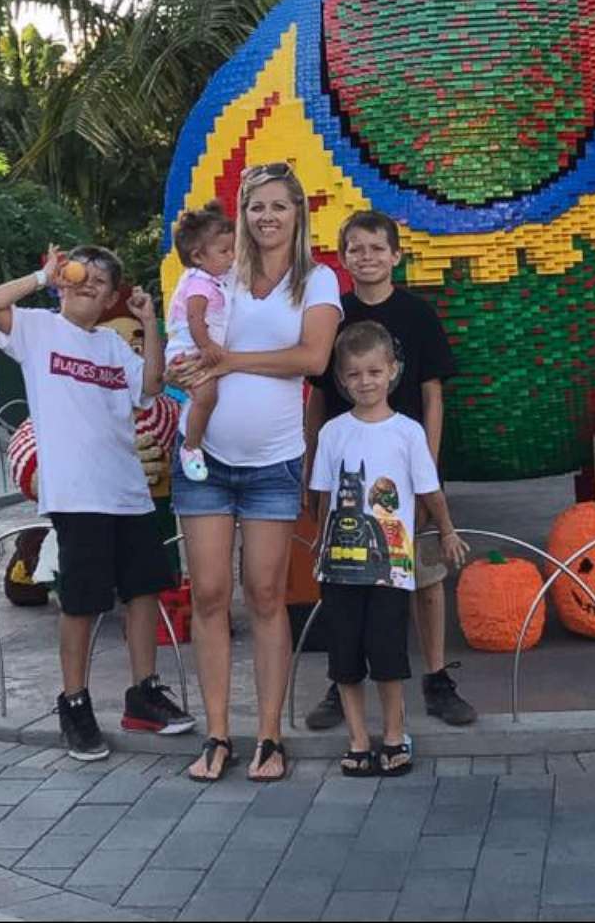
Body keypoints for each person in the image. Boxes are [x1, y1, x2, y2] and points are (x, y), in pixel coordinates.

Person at [0, 243, 194, 761]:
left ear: (112, 298)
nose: (88, 283)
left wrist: (151, 323)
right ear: (64, 282)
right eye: (81, 274)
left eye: (101, 281)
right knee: (82, 603)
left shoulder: (114, 347)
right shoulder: (37, 329)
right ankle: (74, 701)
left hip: (128, 490)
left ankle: (144, 693)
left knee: (143, 593)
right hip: (78, 494)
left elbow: (151, 387)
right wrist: (39, 273)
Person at [169, 164, 341, 782]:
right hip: (206, 461)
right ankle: (218, 733)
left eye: (278, 206)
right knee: (210, 596)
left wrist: (228, 360)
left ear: (298, 213)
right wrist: (184, 368)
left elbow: (312, 357)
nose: (266, 217)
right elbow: (184, 341)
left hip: (273, 461)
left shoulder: (316, 281)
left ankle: (269, 735)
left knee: (267, 597)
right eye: (255, 207)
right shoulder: (221, 276)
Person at [304, 209, 478, 729]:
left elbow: (433, 395)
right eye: (355, 248)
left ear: (396, 255)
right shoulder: (333, 315)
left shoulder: (418, 314)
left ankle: (437, 677)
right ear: (343, 257)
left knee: (425, 576)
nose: (367, 257)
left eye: (377, 248)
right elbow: (318, 397)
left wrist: (429, 466)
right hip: (348, 469)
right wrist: (313, 462)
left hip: (406, 466)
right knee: (347, 576)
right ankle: (344, 680)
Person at [310, 321, 468, 776]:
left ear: (393, 372)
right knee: (344, 654)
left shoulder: (408, 432)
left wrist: (447, 529)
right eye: (355, 374)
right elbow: (325, 492)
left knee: (387, 653)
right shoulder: (333, 433)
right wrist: (321, 537)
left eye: (374, 372)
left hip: (390, 568)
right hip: (339, 568)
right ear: (342, 379)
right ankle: (358, 738)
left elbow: (429, 490)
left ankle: (395, 733)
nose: (365, 382)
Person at [165, 201, 235, 481]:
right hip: (189, 350)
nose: (231, 257)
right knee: (206, 397)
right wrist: (206, 346)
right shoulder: (198, 283)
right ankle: (191, 447)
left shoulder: (212, 278)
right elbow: (195, 318)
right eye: (224, 251)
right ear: (197, 256)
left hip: (197, 348)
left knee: (205, 396)